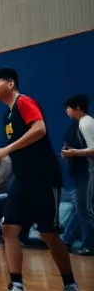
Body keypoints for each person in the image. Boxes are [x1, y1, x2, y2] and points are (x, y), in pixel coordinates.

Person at [0, 68, 82, 291]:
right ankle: (17, 288)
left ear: (10, 83)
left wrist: (7, 149)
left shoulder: (24, 102)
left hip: (43, 178)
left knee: (49, 233)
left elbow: (39, 129)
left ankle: (71, 289)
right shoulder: (7, 116)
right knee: (8, 228)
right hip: (23, 180)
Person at [60, 95, 94, 255]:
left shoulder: (87, 123)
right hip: (81, 173)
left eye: (69, 107)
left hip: (89, 172)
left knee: (85, 210)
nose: (67, 111)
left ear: (78, 107)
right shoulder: (79, 124)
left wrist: (74, 153)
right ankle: (67, 239)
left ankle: (90, 244)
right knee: (79, 208)